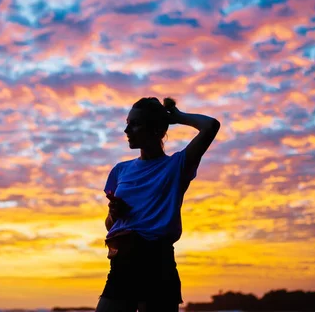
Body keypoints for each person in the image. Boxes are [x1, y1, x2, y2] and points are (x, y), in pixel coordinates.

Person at [95, 97, 221, 312]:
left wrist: (177, 117)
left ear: (156, 129)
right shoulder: (120, 170)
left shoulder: (177, 165)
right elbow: (110, 225)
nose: (126, 130)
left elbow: (210, 126)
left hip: (158, 262)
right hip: (123, 262)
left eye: (135, 124)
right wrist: (114, 214)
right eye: (127, 122)